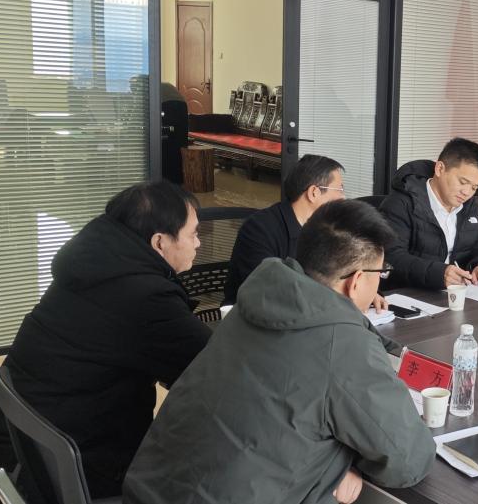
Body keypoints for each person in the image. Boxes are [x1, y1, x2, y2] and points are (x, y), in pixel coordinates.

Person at [124, 200, 435, 504]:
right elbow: (409, 461)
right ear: (355, 282)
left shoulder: (257, 302)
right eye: (381, 272)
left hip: (148, 489)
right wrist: (341, 463)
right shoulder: (343, 346)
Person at [0, 181, 211, 498]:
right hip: (55, 466)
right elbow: (216, 367)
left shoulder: (94, 265)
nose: (198, 243)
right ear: (159, 242)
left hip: (13, 436)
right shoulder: (145, 297)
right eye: (193, 234)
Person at [223, 154, 344, 304]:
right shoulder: (259, 229)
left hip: (308, 309)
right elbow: (269, 290)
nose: (343, 198)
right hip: (254, 312)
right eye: (339, 189)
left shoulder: (324, 229)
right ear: (314, 193)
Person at [379, 138, 478, 290]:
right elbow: (391, 257)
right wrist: (438, 273)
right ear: (440, 169)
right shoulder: (401, 203)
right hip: (411, 293)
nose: (467, 192)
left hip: (458, 293)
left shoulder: (469, 206)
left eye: (474, 188)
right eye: (462, 182)